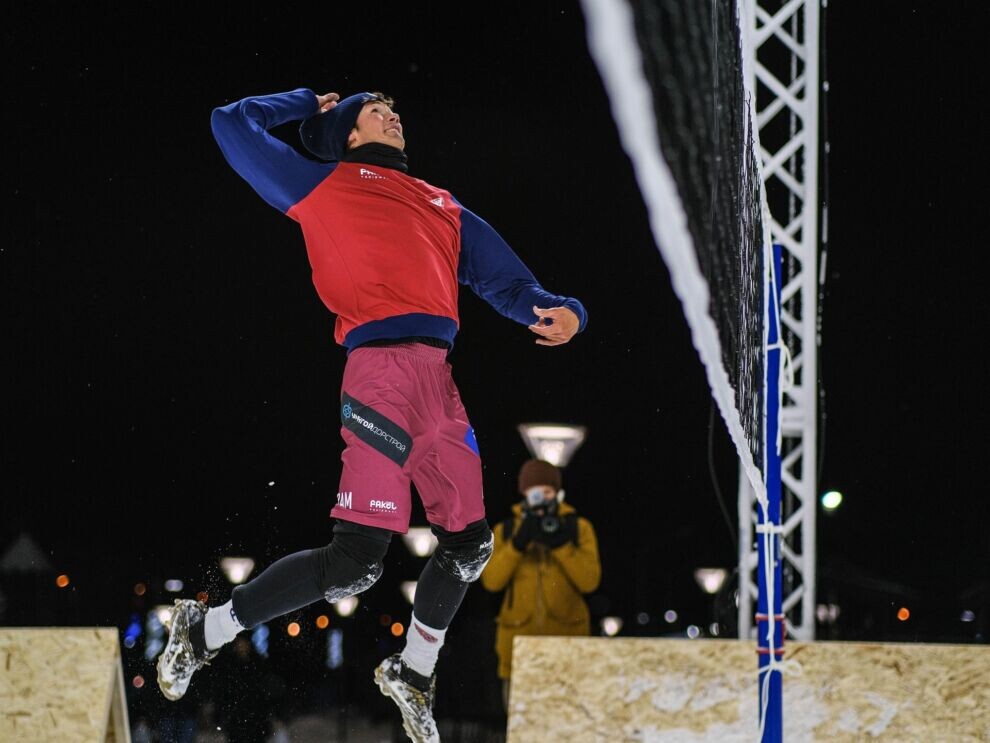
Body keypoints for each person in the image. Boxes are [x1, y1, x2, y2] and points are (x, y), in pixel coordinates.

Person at [155, 88, 587, 743]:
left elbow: (511, 283)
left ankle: (414, 671)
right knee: (358, 561)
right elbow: (229, 124)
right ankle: (207, 625)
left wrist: (565, 309)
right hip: (379, 374)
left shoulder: (443, 204)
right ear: (347, 131)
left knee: (471, 546)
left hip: (438, 378)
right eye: (375, 107)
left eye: (395, 108)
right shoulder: (322, 181)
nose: (393, 113)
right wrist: (304, 103)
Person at [480, 458, 601, 710]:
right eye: (536, 493)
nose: (543, 499)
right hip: (518, 650)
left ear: (558, 493)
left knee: (567, 726)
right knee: (522, 728)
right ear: (524, 493)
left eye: (548, 492)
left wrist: (561, 545)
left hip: (568, 648)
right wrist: (517, 545)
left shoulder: (578, 528)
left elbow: (590, 582)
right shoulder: (506, 531)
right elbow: (491, 581)